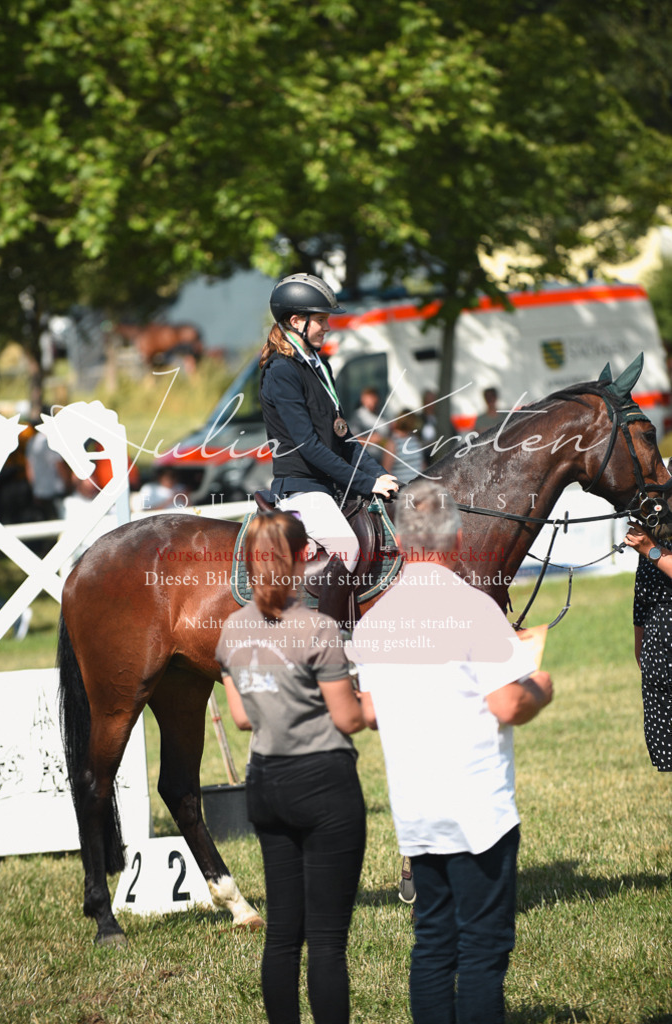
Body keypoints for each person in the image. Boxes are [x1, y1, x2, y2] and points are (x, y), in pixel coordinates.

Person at [347, 479, 554, 1024]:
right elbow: (508, 705)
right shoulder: (474, 609)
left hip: (416, 810)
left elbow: (367, 713)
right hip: (476, 807)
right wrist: (541, 686)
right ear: (456, 539)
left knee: (433, 942)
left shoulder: (374, 621)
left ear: (399, 540)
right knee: (483, 949)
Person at [216, 511, 372, 1024]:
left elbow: (240, 718)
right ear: (304, 557)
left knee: (283, 934)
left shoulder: (232, 630)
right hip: (323, 782)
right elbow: (348, 718)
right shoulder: (319, 629)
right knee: (326, 942)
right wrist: (379, 702)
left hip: (265, 783)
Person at [260, 273, 398, 623]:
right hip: (301, 487)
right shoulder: (281, 371)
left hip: (330, 485)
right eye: (321, 319)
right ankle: (329, 640)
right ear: (296, 321)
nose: (327, 327)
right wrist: (365, 484)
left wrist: (380, 475)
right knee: (347, 547)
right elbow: (308, 447)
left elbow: (343, 439)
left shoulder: (321, 367)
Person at [624, 520, 672, 771]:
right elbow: (642, 597)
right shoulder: (657, 529)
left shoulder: (650, 546)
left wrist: (652, 552)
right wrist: (640, 646)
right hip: (659, 657)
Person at [382, 409, 426, 486]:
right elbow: (387, 470)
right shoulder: (392, 443)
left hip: (418, 488)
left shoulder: (414, 439)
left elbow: (421, 464)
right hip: (402, 489)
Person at [348, 387, 389, 461]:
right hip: (366, 461)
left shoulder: (383, 414)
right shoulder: (358, 416)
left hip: (384, 460)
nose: (372, 402)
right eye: (369, 399)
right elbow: (352, 440)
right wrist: (370, 440)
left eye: (374, 398)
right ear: (363, 399)